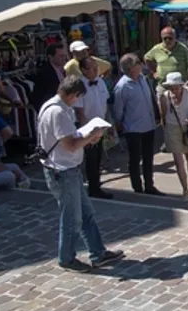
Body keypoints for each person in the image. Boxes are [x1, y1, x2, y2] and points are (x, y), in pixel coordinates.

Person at [39, 76, 125, 271]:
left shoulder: (51, 106)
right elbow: (70, 145)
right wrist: (91, 136)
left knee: (86, 214)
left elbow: (67, 138)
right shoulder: (58, 112)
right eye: (78, 98)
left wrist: (85, 137)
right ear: (74, 94)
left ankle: (98, 253)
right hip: (62, 171)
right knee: (72, 218)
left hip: (67, 169)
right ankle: (66, 258)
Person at [112, 53, 162, 196]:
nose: (141, 65)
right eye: (138, 63)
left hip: (148, 125)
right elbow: (118, 109)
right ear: (131, 68)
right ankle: (137, 187)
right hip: (133, 128)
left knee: (148, 157)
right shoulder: (122, 86)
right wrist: (120, 124)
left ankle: (149, 185)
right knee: (135, 159)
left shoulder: (143, 79)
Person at [158, 71, 188, 200]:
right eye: (171, 88)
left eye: (177, 88)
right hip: (172, 130)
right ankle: (185, 189)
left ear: (181, 85)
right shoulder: (164, 96)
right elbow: (163, 116)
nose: (174, 91)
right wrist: (166, 133)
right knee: (178, 162)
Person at [72, 56, 112, 199]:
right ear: (83, 70)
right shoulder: (80, 86)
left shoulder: (100, 82)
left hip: (100, 126)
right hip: (88, 128)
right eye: (92, 68)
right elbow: (80, 111)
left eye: (96, 68)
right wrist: (86, 134)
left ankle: (97, 185)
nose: (96, 71)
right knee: (90, 159)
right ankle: (93, 188)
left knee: (99, 157)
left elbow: (105, 103)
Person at [31, 44, 69, 110]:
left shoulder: (64, 70)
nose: (64, 58)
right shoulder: (44, 73)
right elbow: (39, 98)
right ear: (51, 57)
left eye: (64, 55)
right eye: (61, 56)